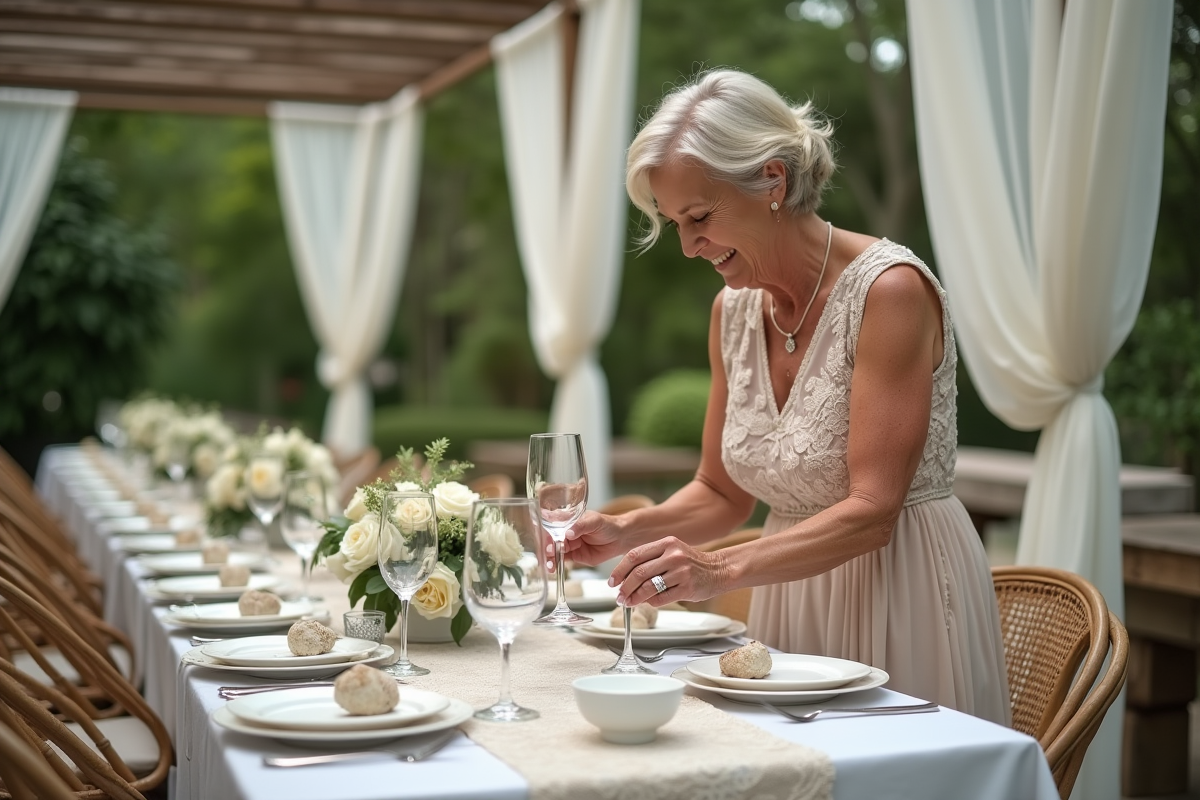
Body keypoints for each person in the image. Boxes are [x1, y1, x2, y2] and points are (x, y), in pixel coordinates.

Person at [562, 69, 1010, 724]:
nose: (687, 247)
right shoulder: (731, 312)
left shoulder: (890, 292)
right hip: (786, 594)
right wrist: (626, 529)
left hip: (899, 589)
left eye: (700, 217)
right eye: (672, 223)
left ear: (772, 180)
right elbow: (722, 493)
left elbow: (872, 511)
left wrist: (717, 569)